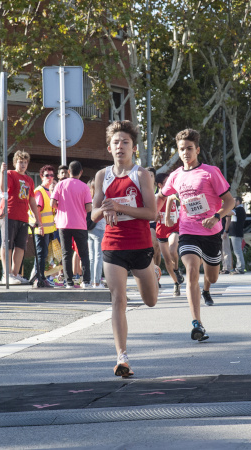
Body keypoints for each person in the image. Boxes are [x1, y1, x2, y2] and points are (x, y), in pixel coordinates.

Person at [92, 120, 159, 377]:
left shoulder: (141, 175)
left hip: (140, 245)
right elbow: (94, 215)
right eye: (116, 142)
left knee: (150, 301)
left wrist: (119, 207)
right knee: (118, 299)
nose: (120, 146)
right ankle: (122, 357)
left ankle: (152, 273)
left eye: (125, 142)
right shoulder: (102, 176)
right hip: (113, 244)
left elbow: (151, 212)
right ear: (109, 148)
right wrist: (105, 209)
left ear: (133, 148)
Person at [157, 129, 234, 342]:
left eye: (189, 148)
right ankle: (196, 323)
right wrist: (149, 213)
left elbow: (230, 201)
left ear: (197, 150)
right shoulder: (175, 176)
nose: (185, 153)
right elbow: (160, 197)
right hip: (188, 231)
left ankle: (207, 288)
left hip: (212, 233)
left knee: (212, 276)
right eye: (181, 149)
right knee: (191, 270)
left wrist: (217, 217)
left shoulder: (210, 172)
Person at [0, 150, 42, 285]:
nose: (22, 165)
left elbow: (32, 201)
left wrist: (37, 219)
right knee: (7, 244)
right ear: (15, 163)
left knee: (21, 246)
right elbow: (3, 189)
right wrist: (2, 173)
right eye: (20, 162)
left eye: (25, 162)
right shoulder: (10, 174)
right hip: (9, 213)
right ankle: (6, 275)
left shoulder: (29, 180)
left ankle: (15, 274)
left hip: (23, 217)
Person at [51, 160, 91, 288]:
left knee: (66, 253)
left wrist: (61, 207)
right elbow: (89, 207)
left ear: (68, 172)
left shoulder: (61, 185)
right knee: (83, 253)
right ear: (81, 172)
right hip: (80, 224)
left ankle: (69, 282)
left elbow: (52, 203)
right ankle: (86, 281)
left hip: (63, 224)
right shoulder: (85, 187)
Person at [155, 172, 184, 296]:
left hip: (174, 228)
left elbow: (172, 199)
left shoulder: (173, 194)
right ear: (160, 185)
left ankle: (177, 269)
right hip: (161, 230)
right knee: (167, 260)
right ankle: (176, 283)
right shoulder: (156, 197)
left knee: (173, 250)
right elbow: (152, 214)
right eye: (167, 182)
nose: (170, 184)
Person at [32, 164, 57, 287]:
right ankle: (39, 279)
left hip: (47, 229)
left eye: (52, 175)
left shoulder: (48, 192)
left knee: (44, 254)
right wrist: (40, 226)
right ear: (42, 176)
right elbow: (36, 209)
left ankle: (41, 278)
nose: (50, 178)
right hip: (41, 229)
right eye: (47, 175)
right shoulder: (40, 191)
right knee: (41, 254)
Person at [87, 179, 105, 288]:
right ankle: (97, 282)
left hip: (89, 229)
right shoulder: (100, 200)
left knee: (92, 256)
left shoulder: (90, 200)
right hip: (100, 228)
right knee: (99, 256)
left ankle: (91, 280)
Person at [146, 166, 162, 276]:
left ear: (154, 177)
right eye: (147, 176)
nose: (149, 178)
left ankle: (157, 271)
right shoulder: (142, 190)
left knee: (157, 248)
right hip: (148, 221)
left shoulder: (160, 192)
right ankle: (152, 273)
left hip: (160, 222)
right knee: (152, 244)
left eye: (151, 176)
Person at [228, 196, 246, 274]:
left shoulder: (239, 209)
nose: (233, 202)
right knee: (237, 251)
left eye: (234, 200)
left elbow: (228, 213)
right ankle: (240, 268)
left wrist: (226, 207)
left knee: (237, 251)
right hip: (236, 233)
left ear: (238, 202)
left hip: (236, 233)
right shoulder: (238, 209)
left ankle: (240, 268)